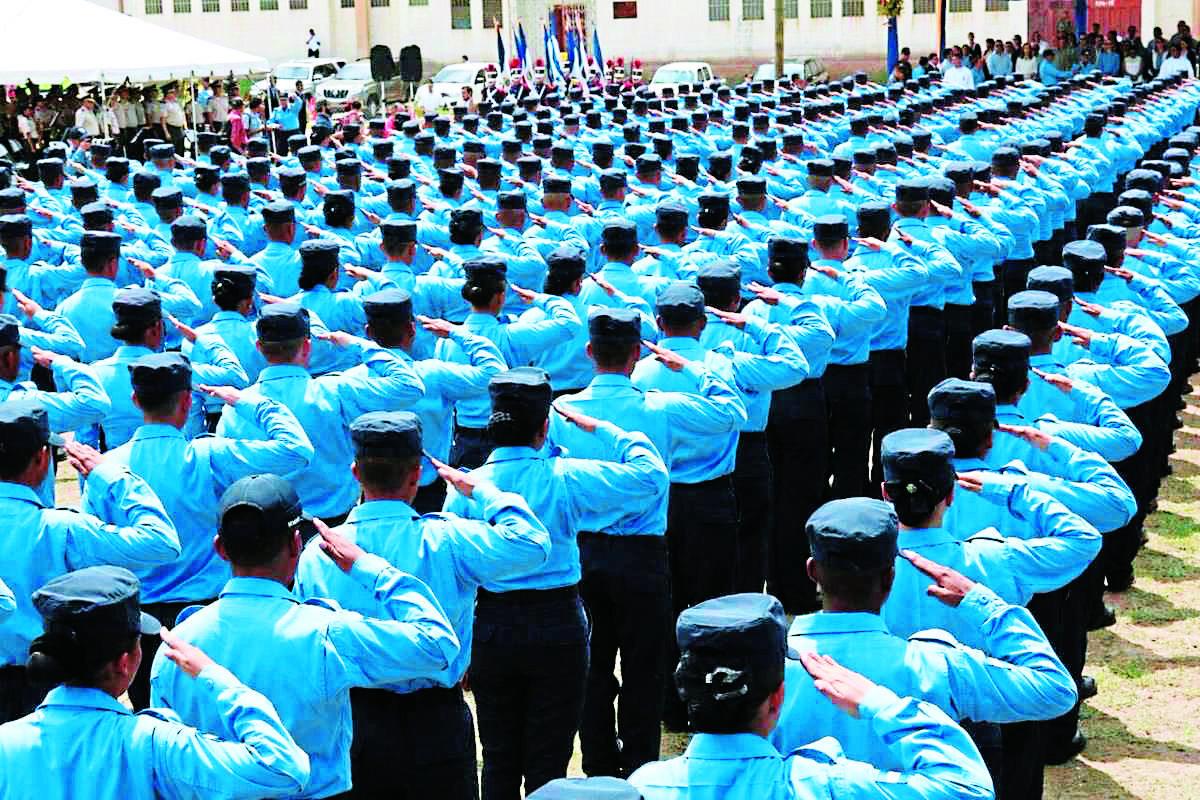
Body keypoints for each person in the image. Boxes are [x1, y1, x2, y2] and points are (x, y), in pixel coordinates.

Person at [150, 473, 461, 799]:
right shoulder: (326, 633)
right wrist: (368, 567)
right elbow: (437, 645)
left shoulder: (176, 647)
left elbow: (166, 765)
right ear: (297, 544)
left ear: (220, 549)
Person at [294, 410, 550, 799]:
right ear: (417, 475)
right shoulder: (447, 540)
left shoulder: (318, 553)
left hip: (357, 719)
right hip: (436, 720)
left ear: (355, 472)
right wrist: (479, 489)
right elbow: (531, 543)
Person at [443, 367, 669, 799]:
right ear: (545, 426)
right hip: (557, 625)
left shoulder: (466, 488)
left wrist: (462, 645)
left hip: (492, 625)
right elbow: (651, 477)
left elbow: (458, 574)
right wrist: (604, 429)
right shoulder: (565, 476)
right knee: (550, 764)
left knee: (498, 759)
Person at [627, 593, 995, 799]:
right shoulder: (822, 785)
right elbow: (968, 788)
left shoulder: (643, 787)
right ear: (777, 698)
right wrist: (879, 702)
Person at [0, 565, 311, 799]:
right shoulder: (156, 744)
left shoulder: (7, 742)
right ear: (125, 663)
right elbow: (283, 769)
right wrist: (215, 677)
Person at [0, 399, 180, 724]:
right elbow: (161, 543)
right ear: (42, 458)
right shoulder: (61, 529)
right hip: (50, 687)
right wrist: (110, 476)